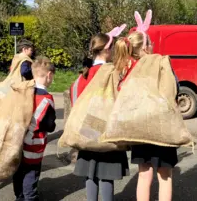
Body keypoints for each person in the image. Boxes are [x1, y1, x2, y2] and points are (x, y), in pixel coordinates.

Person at [114, 31, 179, 201]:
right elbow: (174, 89)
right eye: (151, 43)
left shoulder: (127, 68)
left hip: (139, 128)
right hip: (161, 126)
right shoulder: (160, 62)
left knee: (143, 174)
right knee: (165, 176)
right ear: (146, 47)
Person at [72, 30, 129, 201]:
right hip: (106, 127)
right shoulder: (110, 72)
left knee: (91, 172)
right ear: (106, 49)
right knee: (106, 172)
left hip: (87, 127)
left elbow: (75, 97)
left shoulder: (85, 73)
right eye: (111, 48)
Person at [12, 56, 57, 201]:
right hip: (34, 142)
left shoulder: (24, 91)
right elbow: (49, 125)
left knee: (19, 170)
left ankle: (19, 196)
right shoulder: (47, 98)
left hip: (18, 139)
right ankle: (30, 197)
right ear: (49, 75)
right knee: (31, 171)